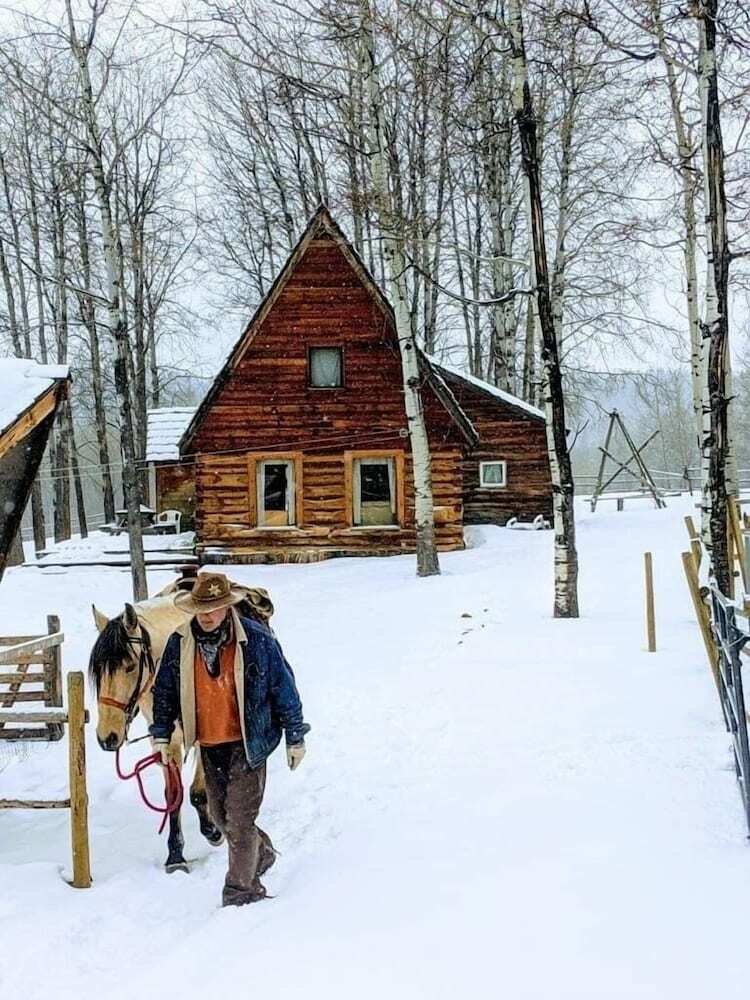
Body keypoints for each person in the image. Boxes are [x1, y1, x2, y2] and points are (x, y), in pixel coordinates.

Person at [150, 571, 309, 906]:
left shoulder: (255, 640)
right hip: (209, 743)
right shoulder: (180, 643)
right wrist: (162, 735)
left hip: (249, 743)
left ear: (227, 607)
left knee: (239, 818)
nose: (207, 615)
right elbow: (163, 692)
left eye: (214, 608)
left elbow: (283, 686)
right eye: (200, 608)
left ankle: (240, 891)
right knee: (220, 817)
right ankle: (260, 852)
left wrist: (295, 735)